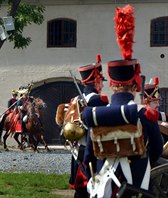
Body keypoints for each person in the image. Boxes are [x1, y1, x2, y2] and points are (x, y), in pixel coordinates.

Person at [83, 4, 163, 197]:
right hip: (138, 185)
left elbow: (88, 157)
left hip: (105, 187)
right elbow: (158, 149)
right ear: (135, 86)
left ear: (111, 84)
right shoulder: (143, 114)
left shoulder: (96, 115)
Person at [70, 54, 109, 198]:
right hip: (92, 150)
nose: (103, 85)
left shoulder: (75, 99)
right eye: (101, 81)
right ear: (96, 82)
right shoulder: (98, 100)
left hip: (77, 150)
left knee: (80, 190)